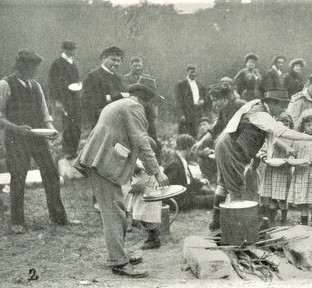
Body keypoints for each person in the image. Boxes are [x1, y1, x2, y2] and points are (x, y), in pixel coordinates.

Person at [74, 77, 168, 278]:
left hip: (102, 161)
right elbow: (141, 142)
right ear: (146, 97)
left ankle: (120, 254)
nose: (151, 106)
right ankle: (118, 261)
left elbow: (121, 140)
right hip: (103, 164)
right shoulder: (134, 108)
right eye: (151, 100)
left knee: (119, 212)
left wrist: (135, 167)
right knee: (114, 215)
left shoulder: (120, 104)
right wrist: (157, 171)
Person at [209, 89, 312, 231]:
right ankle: (238, 229)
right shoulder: (261, 113)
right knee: (236, 188)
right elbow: (282, 131)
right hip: (230, 147)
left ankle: (216, 222)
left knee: (223, 184)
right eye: (282, 106)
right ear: (271, 103)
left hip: (226, 144)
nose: (284, 110)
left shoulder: (256, 105)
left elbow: (255, 133)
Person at [0, 49, 78, 234]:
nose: (35, 70)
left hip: (37, 138)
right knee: (18, 177)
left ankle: (58, 216)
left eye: (36, 66)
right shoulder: (5, 84)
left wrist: (51, 129)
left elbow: (45, 113)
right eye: (31, 66)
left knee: (51, 174)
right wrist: (15, 127)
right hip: (16, 139)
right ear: (21, 66)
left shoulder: (35, 86)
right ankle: (17, 221)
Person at [125, 138, 162, 250]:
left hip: (148, 197)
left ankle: (154, 238)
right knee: (143, 218)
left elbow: (140, 182)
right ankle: (151, 236)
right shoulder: (142, 164)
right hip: (143, 196)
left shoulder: (148, 166)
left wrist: (131, 188)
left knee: (147, 218)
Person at [258, 113, 295, 226]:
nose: (284, 126)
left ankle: (283, 221)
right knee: (272, 197)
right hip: (271, 170)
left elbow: (294, 154)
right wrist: (264, 158)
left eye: (286, 124)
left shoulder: (292, 139)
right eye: (281, 123)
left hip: (284, 170)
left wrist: (290, 159)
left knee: (283, 197)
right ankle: (271, 220)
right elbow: (261, 151)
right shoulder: (271, 137)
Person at [48, 40, 81, 159]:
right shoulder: (57, 64)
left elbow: (76, 81)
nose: (72, 52)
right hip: (63, 99)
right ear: (64, 50)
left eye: (74, 49)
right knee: (65, 125)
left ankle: (73, 151)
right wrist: (56, 100)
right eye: (70, 50)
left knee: (75, 124)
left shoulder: (74, 64)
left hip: (74, 99)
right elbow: (52, 83)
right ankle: (66, 151)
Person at [82, 46, 127, 132]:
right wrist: (112, 97)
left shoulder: (118, 78)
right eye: (113, 60)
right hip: (99, 119)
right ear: (104, 59)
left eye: (119, 61)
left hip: (118, 119)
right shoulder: (93, 76)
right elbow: (87, 100)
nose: (116, 63)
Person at [123, 57, 161, 158]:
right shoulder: (125, 78)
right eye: (135, 66)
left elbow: (153, 93)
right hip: (134, 108)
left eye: (139, 65)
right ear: (130, 66)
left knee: (152, 132)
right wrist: (137, 86)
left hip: (148, 109)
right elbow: (126, 90)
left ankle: (156, 156)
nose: (138, 67)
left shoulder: (147, 78)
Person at [193, 83, 246, 151]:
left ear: (225, 98)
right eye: (212, 100)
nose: (214, 104)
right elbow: (216, 128)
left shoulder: (238, 106)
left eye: (215, 100)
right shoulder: (224, 108)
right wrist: (201, 142)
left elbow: (234, 133)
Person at [163, 134, 210, 210]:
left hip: (187, 195)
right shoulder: (174, 164)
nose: (194, 153)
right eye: (193, 149)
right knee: (213, 199)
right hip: (181, 201)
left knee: (211, 193)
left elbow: (186, 181)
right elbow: (172, 190)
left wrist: (199, 182)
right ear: (188, 148)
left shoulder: (181, 160)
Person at [175, 64, 210, 138]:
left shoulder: (199, 84)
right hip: (186, 111)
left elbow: (206, 95)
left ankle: (193, 147)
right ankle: (181, 147)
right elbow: (178, 100)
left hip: (197, 111)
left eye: (195, 72)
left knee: (195, 131)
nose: (193, 74)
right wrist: (181, 114)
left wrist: (203, 101)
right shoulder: (181, 84)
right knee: (183, 132)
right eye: (191, 72)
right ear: (187, 72)